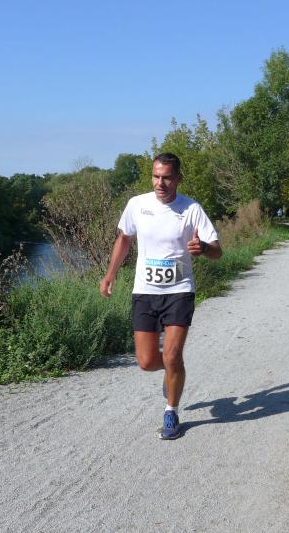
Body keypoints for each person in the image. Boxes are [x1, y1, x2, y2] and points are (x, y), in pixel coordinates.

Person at [99, 153, 222, 440]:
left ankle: (171, 412)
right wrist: (110, 273)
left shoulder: (191, 209)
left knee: (173, 354)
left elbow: (217, 251)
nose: (160, 183)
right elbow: (124, 239)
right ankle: (171, 371)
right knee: (146, 361)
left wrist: (204, 248)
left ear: (178, 178)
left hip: (179, 291)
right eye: (156, 176)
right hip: (145, 291)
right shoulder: (137, 205)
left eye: (167, 177)